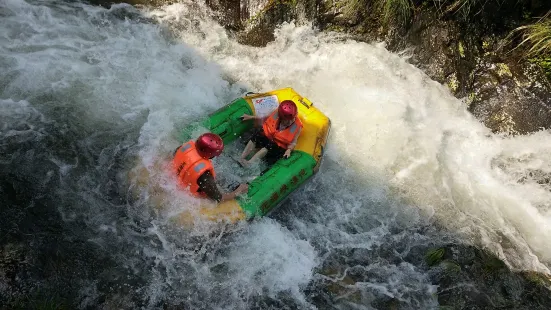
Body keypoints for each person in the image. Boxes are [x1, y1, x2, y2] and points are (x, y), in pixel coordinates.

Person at [173, 133, 248, 202]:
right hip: (189, 192)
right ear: (211, 154)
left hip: (178, 178)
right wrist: (238, 191)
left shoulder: (185, 147)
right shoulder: (205, 176)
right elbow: (219, 198)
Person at [239, 100, 303, 167]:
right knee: (257, 135)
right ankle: (242, 157)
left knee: (270, 146)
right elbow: (265, 118)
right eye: (286, 121)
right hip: (270, 138)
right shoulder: (276, 114)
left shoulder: (297, 127)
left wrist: (289, 150)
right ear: (280, 117)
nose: (290, 122)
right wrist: (251, 117)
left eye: (292, 119)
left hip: (278, 147)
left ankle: (249, 163)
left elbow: (293, 141)